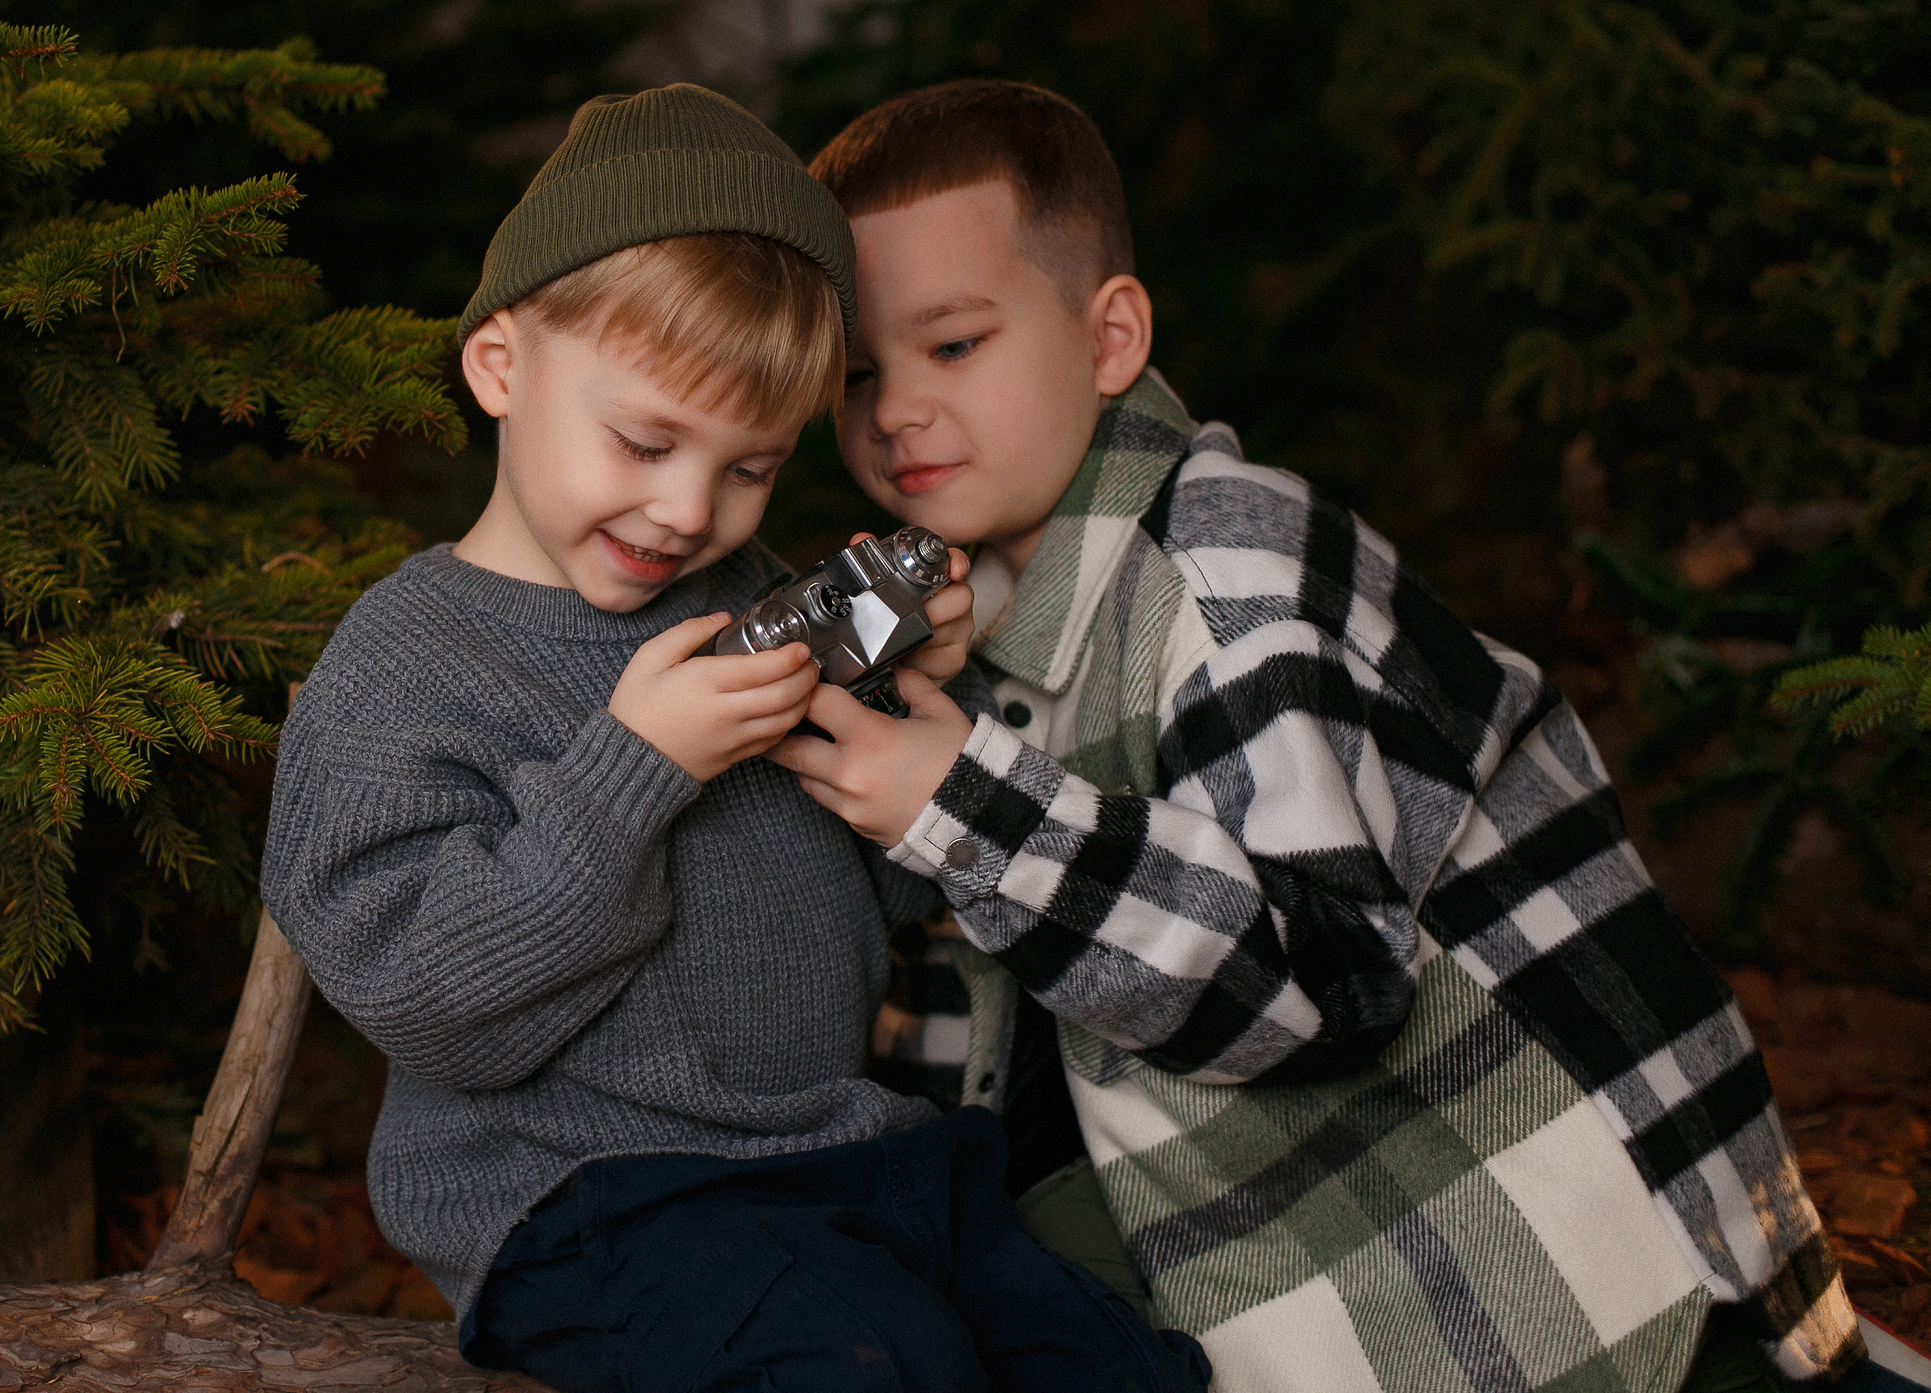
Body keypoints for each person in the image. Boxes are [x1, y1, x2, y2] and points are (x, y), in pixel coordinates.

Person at [770, 79, 1882, 1393]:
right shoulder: (984, 600)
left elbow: (1327, 979)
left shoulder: (1226, 569)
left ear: (1109, 337)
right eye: (856, 375)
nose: (895, 408)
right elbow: (997, 1018)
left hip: (1587, 1283)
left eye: (954, 346)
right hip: (1313, 1253)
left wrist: (961, 804)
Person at [259, 83, 1213, 1393]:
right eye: (644, 442)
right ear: (500, 367)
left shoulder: (743, 603)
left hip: (838, 1153)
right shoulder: (406, 664)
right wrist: (634, 771)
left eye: (749, 467)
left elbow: (872, 892)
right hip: (594, 1196)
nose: (686, 509)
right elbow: (434, 1009)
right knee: (869, 1364)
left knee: (1106, 1360)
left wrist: (899, 709)